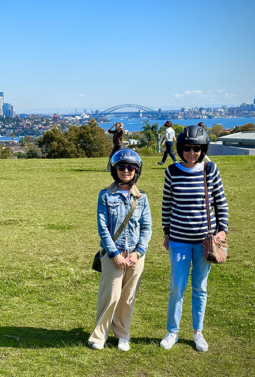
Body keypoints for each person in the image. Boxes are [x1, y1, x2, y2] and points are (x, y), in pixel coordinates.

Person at [160, 125, 229, 352]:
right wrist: (166, 233)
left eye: (197, 148)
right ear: (181, 149)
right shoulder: (171, 171)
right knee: (177, 286)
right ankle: (172, 332)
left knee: (200, 287)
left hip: (204, 241)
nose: (192, 153)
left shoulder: (210, 169)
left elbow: (221, 202)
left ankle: (198, 332)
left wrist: (223, 229)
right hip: (178, 240)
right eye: (188, 148)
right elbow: (167, 205)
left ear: (203, 149)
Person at [89, 149, 152, 351]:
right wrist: (115, 254)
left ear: (136, 170)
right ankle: (99, 336)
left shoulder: (141, 198)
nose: (126, 170)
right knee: (111, 295)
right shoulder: (106, 195)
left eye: (130, 167)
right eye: (122, 167)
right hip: (112, 254)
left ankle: (122, 334)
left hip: (135, 255)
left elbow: (147, 227)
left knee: (128, 297)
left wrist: (138, 252)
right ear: (115, 170)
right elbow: (103, 228)